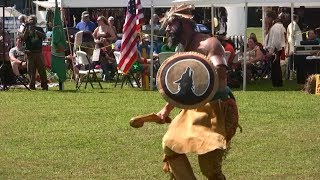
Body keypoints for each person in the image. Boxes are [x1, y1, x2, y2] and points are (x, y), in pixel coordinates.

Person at [155, 4, 239, 180]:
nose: (168, 29)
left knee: (209, 168)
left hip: (216, 109)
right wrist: (166, 109)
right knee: (170, 145)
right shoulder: (181, 49)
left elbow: (220, 71)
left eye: (170, 24)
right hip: (193, 108)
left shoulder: (210, 43)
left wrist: (203, 66)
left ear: (183, 23)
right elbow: (183, 87)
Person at [22, 15, 48, 90]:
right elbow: (23, 38)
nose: (32, 21)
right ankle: (32, 86)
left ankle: (45, 86)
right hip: (30, 53)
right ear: (28, 20)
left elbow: (44, 36)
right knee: (30, 71)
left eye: (34, 19)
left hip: (38, 52)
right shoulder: (25, 28)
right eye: (30, 19)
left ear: (36, 21)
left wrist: (35, 31)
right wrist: (27, 28)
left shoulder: (39, 28)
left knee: (42, 70)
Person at [264, 11, 286, 87]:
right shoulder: (277, 26)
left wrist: (273, 51)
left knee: (275, 67)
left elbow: (276, 41)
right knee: (276, 67)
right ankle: (278, 83)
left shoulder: (276, 27)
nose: (265, 19)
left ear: (270, 18)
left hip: (276, 50)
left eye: (266, 17)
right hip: (276, 50)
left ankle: (277, 83)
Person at [92, 16, 117, 81]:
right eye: (97, 20)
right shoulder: (97, 28)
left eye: (98, 20)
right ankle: (106, 75)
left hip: (108, 46)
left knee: (107, 58)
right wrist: (96, 41)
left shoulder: (108, 28)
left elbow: (114, 37)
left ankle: (107, 75)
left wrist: (106, 39)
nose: (97, 22)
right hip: (99, 47)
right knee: (102, 59)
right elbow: (93, 37)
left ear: (103, 20)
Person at [286, 14, 302, 80]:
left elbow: (288, 36)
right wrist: (297, 47)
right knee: (293, 62)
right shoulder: (295, 25)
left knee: (290, 61)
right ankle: (292, 76)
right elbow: (297, 37)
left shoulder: (289, 25)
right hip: (294, 46)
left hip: (290, 44)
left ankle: (290, 76)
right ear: (297, 18)